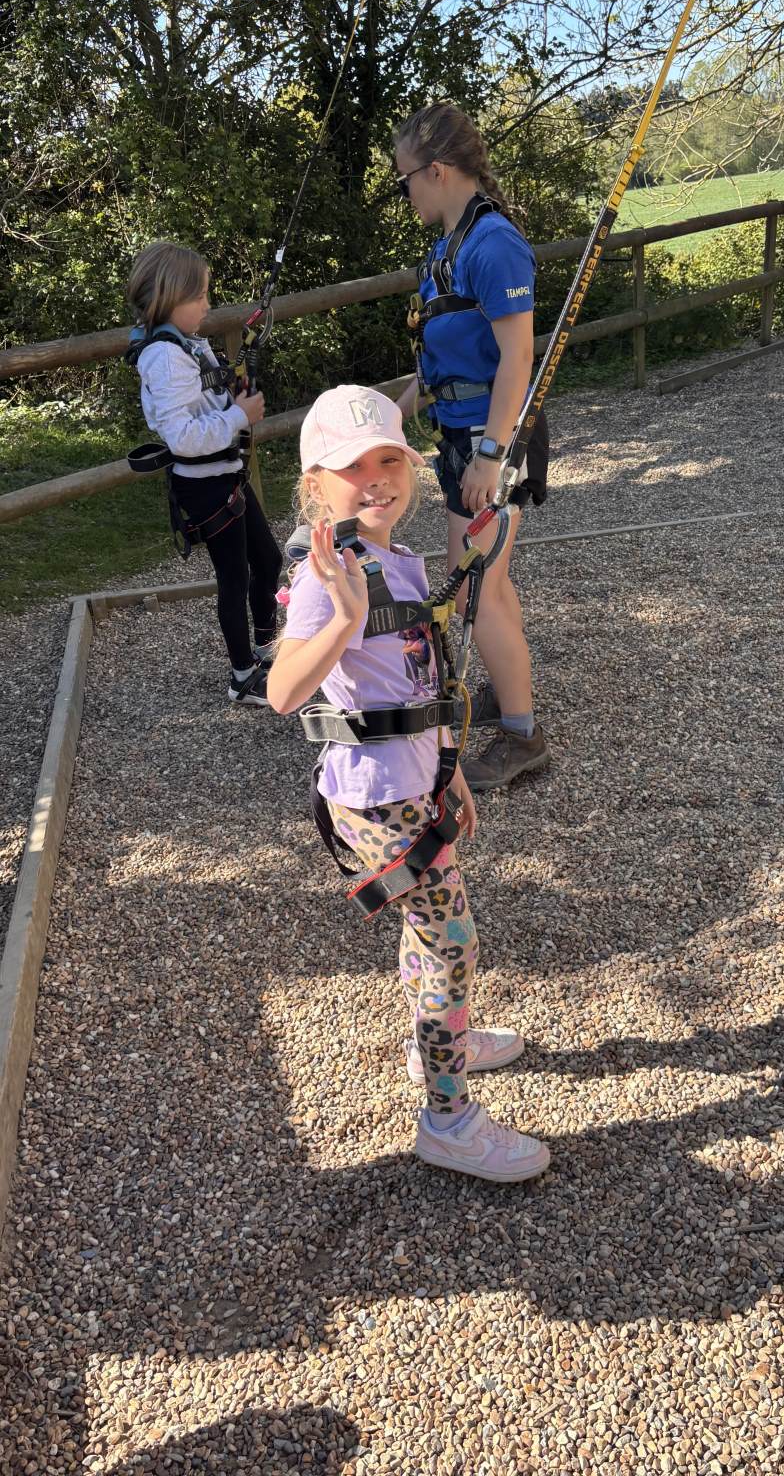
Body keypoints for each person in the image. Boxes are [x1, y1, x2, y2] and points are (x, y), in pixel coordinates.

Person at [268, 384, 550, 1182]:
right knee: (452, 941)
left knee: (428, 932)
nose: (376, 479)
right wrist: (341, 620)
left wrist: (448, 770)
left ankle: (436, 1041)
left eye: (389, 460)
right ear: (315, 484)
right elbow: (284, 692)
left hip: (412, 781)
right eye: (352, 468)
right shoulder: (328, 574)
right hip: (376, 795)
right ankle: (447, 1120)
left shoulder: (388, 556)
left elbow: (419, 672)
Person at [392, 102, 551, 792]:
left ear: (437, 170)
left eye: (404, 179)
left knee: (475, 592)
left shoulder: (492, 245)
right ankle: (511, 695)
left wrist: (491, 454)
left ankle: (522, 736)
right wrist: (397, 409)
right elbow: (442, 355)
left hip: (491, 440)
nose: (404, 193)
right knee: (486, 586)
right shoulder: (449, 245)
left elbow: (518, 358)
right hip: (461, 434)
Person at [126, 242, 282, 707]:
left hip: (225, 474)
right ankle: (243, 676)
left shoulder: (185, 344)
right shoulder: (164, 357)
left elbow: (203, 400)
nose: (207, 304)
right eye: (200, 296)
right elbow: (182, 437)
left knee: (268, 560)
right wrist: (238, 416)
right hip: (205, 484)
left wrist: (234, 393)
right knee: (235, 577)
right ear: (170, 298)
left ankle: (267, 650)